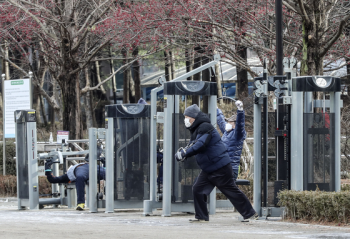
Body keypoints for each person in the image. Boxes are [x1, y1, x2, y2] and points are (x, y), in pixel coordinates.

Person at [175, 104, 257, 223]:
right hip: (210, 167)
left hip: (220, 167)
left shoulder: (205, 127)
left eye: (187, 117)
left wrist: (185, 153)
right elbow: (194, 144)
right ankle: (201, 217)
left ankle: (250, 214)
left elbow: (200, 144)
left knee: (230, 190)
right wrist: (184, 152)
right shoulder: (199, 128)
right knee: (198, 189)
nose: (185, 120)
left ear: (193, 117)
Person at [217, 100, 246, 181]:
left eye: (230, 122)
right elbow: (221, 121)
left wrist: (240, 110)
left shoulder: (238, 135)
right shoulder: (227, 132)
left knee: (230, 191)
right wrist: (216, 109)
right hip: (224, 167)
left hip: (231, 169)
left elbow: (240, 124)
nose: (227, 124)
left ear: (234, 125)